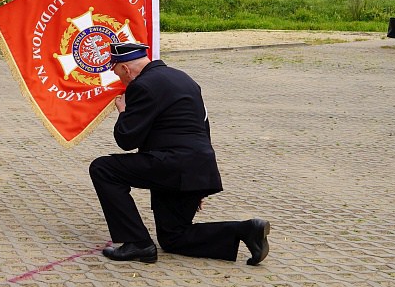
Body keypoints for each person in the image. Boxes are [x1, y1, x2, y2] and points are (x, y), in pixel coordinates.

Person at [90, 42, 270, 265]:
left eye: (118, 73)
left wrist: (124, 112)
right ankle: (245, 230)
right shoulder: (184, 79)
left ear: (126, 69)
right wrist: (197, 182)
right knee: (173, 236)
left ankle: (137, 242)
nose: (119, 80)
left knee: (103, 169)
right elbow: (203, 127)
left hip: (173, 164)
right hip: (196, 166)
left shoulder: (142, 86)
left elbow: (126, 140)